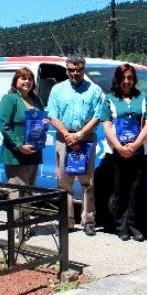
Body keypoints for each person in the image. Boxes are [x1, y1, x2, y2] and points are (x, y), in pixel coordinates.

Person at [48, 54, 105, 236]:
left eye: (78, 69)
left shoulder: (94, 90)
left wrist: (79, 135)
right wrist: (67, 134)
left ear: (84, 70)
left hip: (86, 139)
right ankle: (67, 221)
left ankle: (88, 220)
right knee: (64, 182)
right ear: (66, 70)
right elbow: (53, 115)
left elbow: (98, 116)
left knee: (87, 181)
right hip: (63, 139)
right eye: (71, 70)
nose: (75, 73)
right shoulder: (57, 90)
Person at [101, 64, 147, 242]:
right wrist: (119, 147)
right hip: (117, 154)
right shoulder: (109, 99)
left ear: (134, 79)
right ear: (118, 79)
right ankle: (121, 227)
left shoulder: (143, 97)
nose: (126, 81)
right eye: (123, 78)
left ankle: (134, 226)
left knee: (136, 190)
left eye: (130, 77)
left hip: (138, 153)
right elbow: (107, 125)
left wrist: (135, 145)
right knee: (120, 190)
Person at [0, 67, 47, 238]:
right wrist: (19, 145)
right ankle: (17, 228)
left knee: (28, 191)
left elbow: (40, 121)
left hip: (33, 152)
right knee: (17, 191)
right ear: (16, 81)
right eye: (22, 78)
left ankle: (26, 225)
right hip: (16, 154)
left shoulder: (36, 100)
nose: (26, 82)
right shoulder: (9, 99)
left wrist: (45, 123)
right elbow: (5, 127)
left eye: (29, 79)